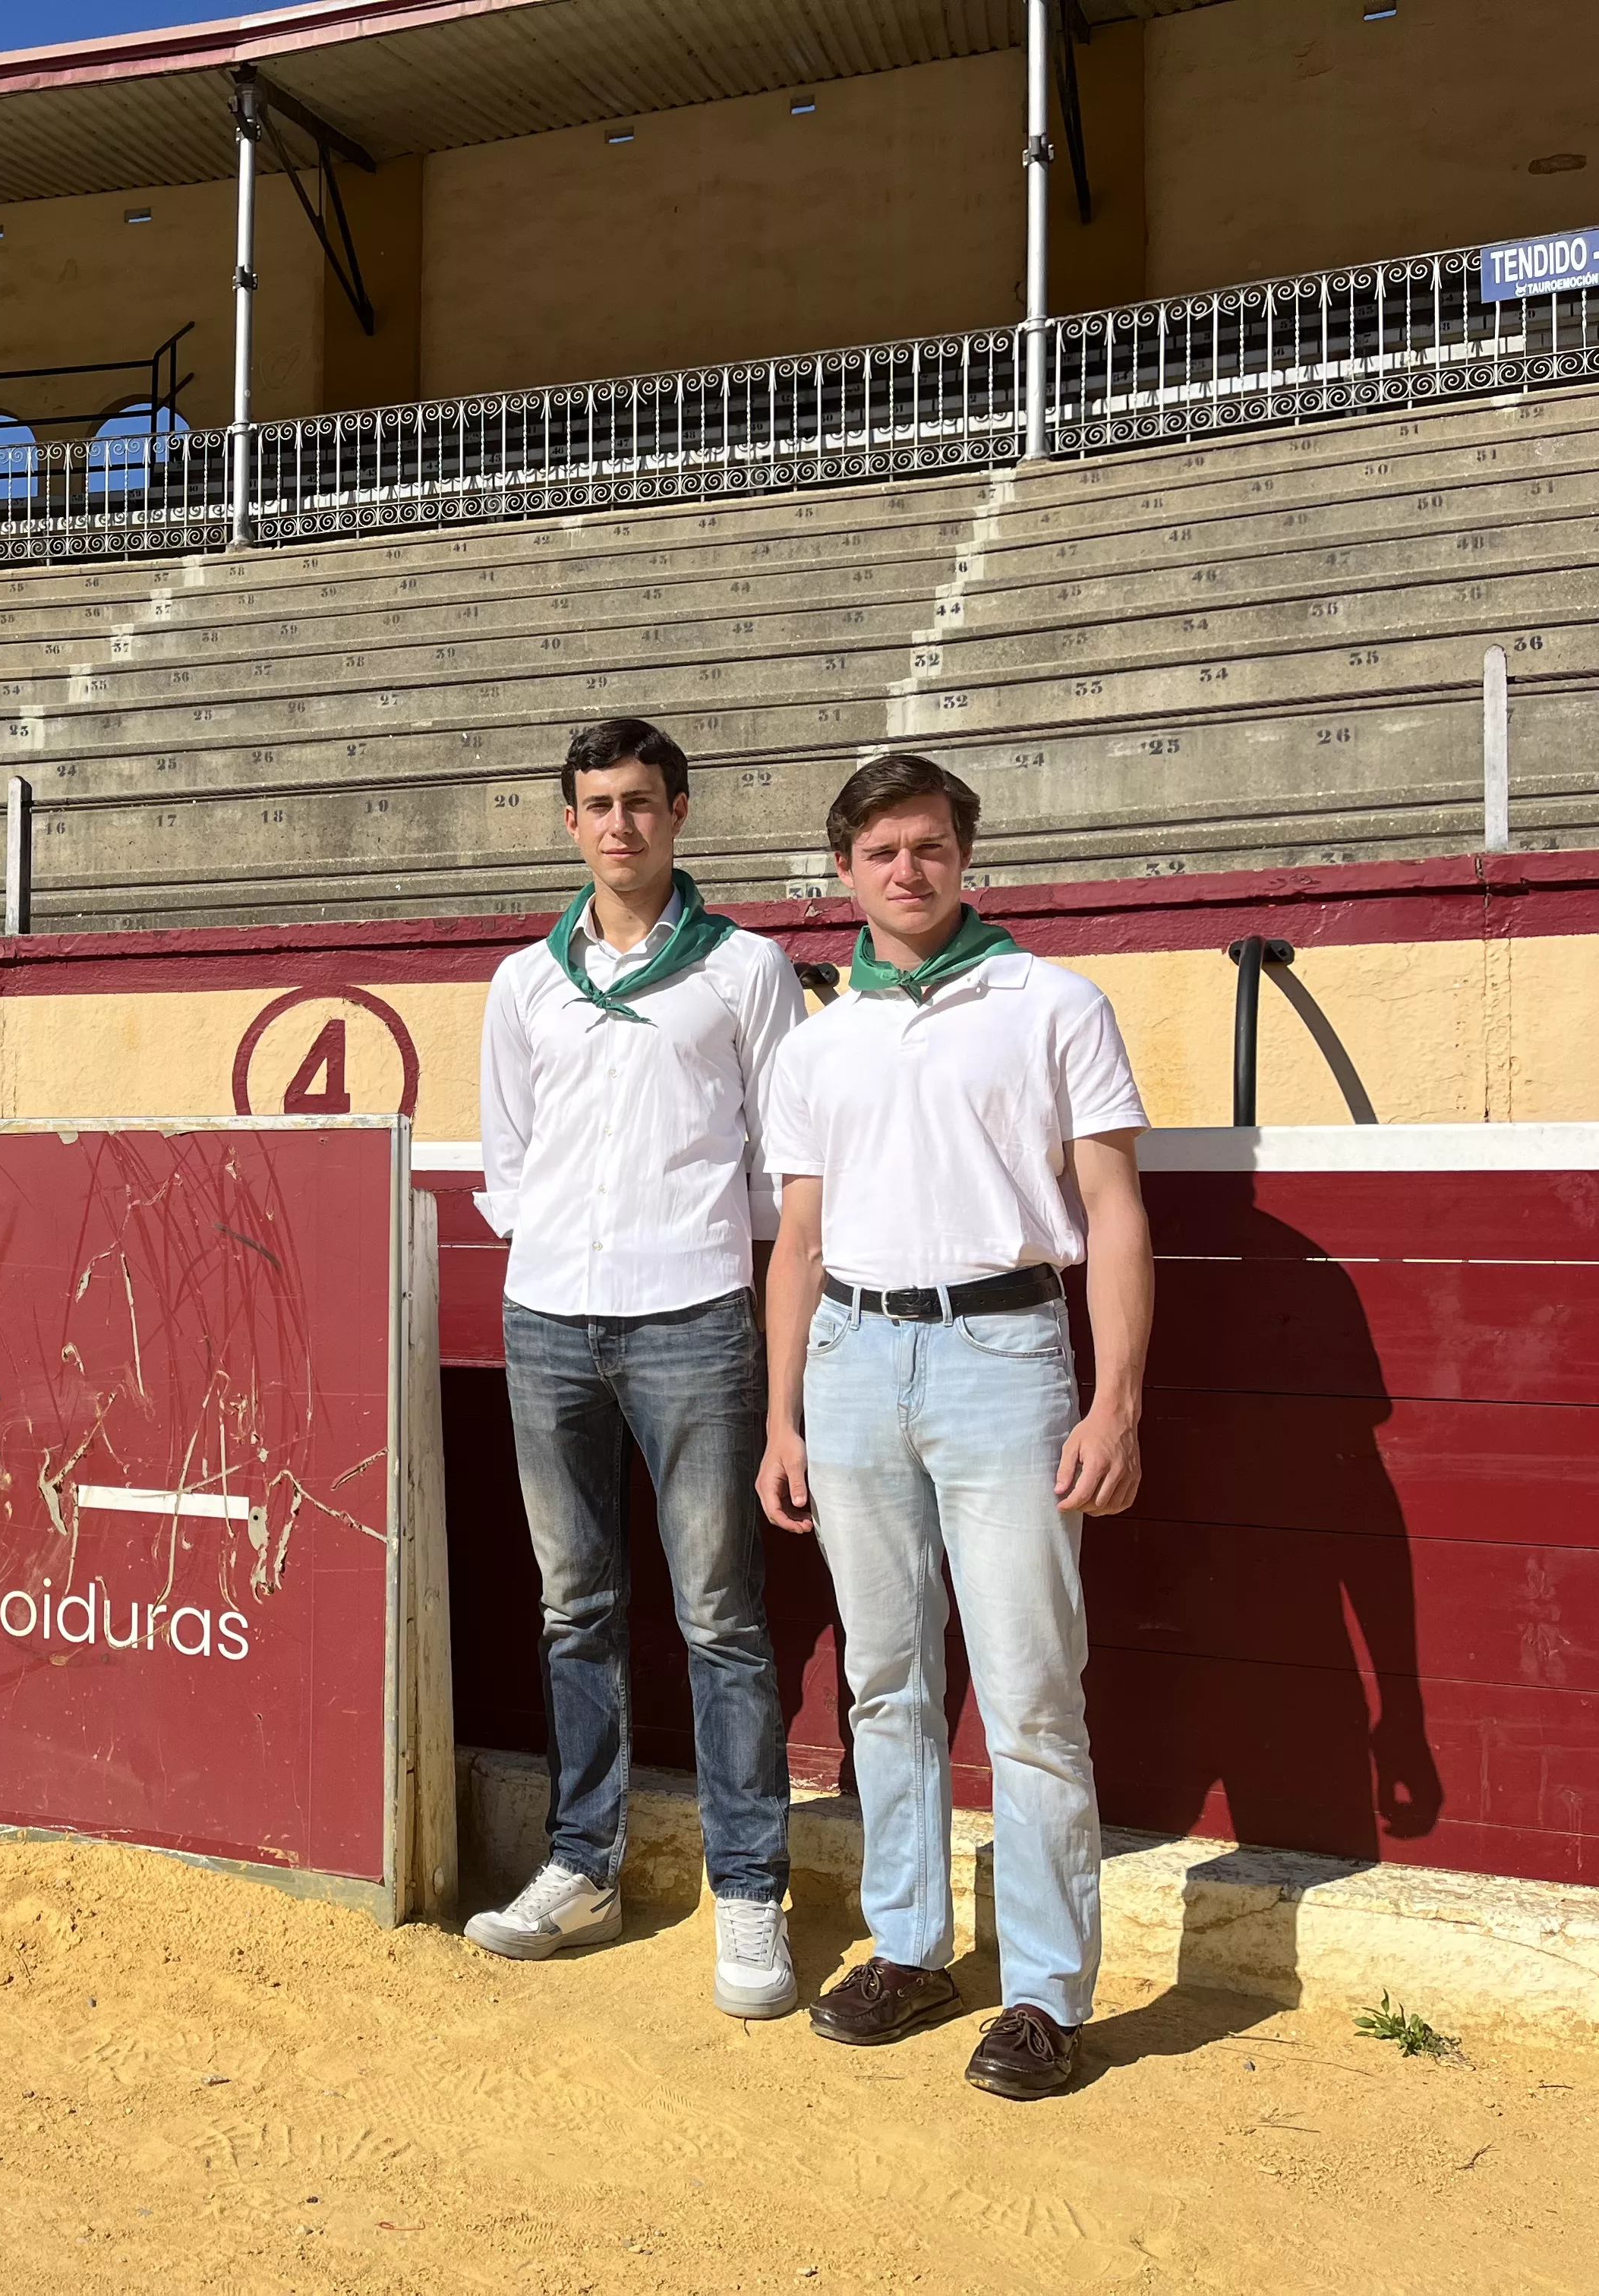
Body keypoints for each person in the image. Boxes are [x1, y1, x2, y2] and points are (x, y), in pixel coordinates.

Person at [755, 753, 1153, 2102]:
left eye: (927, 845)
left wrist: (1115, 1399)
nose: (906, 870)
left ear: (963, 855)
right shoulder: (817, 1041)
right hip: (851, 1357)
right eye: (879, 851)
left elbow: (1114, 1212)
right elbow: (799, 1239)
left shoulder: (1052, 1002)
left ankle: (1043, 1991)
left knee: (1032, 1687)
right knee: (884, 1677)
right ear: (844, 870)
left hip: (1003, 1351)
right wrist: (781, 1417)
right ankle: (912, 1945)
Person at [466, 718, 806, 2017]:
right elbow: (509, 1152)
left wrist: (717, 1275)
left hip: (694, 1314)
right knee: (575, 1605)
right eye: (599, 804)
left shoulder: (745, 970)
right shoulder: (524, 981)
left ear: (679, 814)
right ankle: (582, 1865)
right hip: (549, 1316)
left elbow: (779, 1159)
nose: (621, 823)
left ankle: (751, 1888)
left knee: (720, 1614)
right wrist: (555, 1248)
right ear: (571, 822)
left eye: (642, 802)